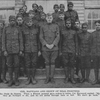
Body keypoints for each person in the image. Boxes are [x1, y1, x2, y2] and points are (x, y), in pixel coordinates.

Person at [2, 15, 23, 86]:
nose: (12, 22)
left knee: (17, 65)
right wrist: (4, 50)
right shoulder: (6, 28)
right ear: (9, 21)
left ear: (15, 21)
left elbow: (21, 40)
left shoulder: (18, 29)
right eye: (11, 20)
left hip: (16, 51)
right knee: (10, 66)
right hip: (8, 50)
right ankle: (11, 80)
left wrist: (21, 50)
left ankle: (16, 80)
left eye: (14, 20)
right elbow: (3, 40)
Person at [40, 13, 60, 84]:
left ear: (52, 18)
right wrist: (46, 44)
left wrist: (53, 44)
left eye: (50, 18)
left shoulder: (56, 26)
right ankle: (47, 78)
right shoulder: (42, 27)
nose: (49, 19)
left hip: (54, 48)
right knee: (47, 63)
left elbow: (58, 36)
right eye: (48, 18)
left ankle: (52, 78)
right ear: (46, 18)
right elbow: (41, 37)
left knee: (52, 62)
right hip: (45, 48)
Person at [23, 17, 39, 85]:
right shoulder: (24, 30)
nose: (29, 23)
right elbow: (22, 41)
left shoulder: (36, 30)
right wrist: (23, 50)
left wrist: (39, 50)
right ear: (26, 23)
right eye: (28, 22)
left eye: (30, 22)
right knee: (27, 64)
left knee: (34, 63)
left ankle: (33, 77)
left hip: (34, 49)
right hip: (27, 50)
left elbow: (38, 41)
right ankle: (29, 78)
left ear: (32, 22)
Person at [61, 19, 77, 84]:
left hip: (72, 50)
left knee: (72, 65)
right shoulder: (62, 32)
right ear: (65, 24)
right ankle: (67, 77)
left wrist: (76, 51)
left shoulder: (74, 32)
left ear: (71, 24)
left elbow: (76, 42)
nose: (68, 24)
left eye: (69, 23)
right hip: (65, 50)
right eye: (67, 23)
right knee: (66, 64)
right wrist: (60, 51)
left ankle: (72, 78)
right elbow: (61, 42)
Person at [90, 20, 100, 85]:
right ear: (95, 26)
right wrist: (91, 54)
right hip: (95, 53)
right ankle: (96, 79)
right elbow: (90, 45)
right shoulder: (92, 34)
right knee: (95, 67)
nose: (97, 26)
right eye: (96, 25)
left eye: (99, 25)